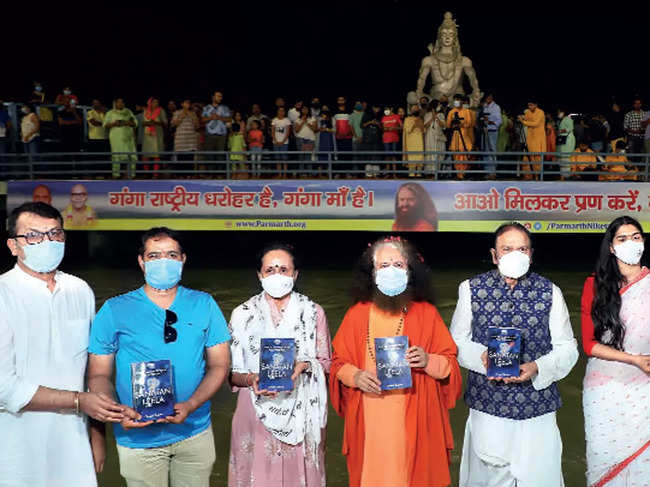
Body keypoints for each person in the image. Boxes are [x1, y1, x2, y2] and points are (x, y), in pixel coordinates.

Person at [87, 227, 231, 487]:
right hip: (137, 436)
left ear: (183, 259)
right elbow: (98, 374)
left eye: (171, 254)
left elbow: (220, 365)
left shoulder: (204, 304)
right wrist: (117, 411)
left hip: (195, 430)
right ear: (141, 261)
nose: (163, 261)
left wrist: (191, 404)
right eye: (154, 256)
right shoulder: (114, 309)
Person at [0, 202, 126, 486]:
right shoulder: (3, 294)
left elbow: (92, 372)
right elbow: (4, 387)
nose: (47, 242)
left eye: (55, 234)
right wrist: (81, 402)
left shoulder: (79, 290)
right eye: (33, 236)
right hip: (15, 445)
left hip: (73, 441)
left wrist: (97, 436)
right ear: (13, 246)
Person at [450, 222, 579, 487]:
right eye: (507, 248)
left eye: (522, 249)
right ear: (494, 255)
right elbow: (456, 341)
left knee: (540, 477)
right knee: (488, 477)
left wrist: (538, 367)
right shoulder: (471, 289)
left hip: (537, 409)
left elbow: (568, 348)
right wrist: (482, 356)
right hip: (488, 406)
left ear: (531, 255)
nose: (515, 254)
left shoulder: (550, 292)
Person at [330, 237, 462, 487]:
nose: (391, 271)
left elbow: (449, 365)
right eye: (384, 265)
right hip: (371, 418)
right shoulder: (357, 314)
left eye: (398, 265)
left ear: (410, 272)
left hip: (416, 418)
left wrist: (426, 360)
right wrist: (356, 377)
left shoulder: (427, 313)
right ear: (372, 273)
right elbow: (337, 364)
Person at [228, 243, 331, 487]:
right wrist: (251, 379)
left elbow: (325, 363)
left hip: (302, 410)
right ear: (259, 275)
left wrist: (305, 365)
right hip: (254, 410)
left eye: (284, 269)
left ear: (295, 274)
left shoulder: (313, 313)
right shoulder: (242, 314)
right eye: (270, 269)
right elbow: (231, 374)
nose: (277, 275)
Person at [581, 216, 649, 487]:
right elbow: (589, 344)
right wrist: (633, 359)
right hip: (604, 391)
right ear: (611, 247)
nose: (631, 243)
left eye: (636, 237)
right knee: (604, 462)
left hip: (645, 389)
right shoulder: (594, 285)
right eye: (622, 239)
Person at [104, 98, 138, 179]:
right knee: (116, 156)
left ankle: (131, 174)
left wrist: (127, 122)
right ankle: (116, 175)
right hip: (116, 138)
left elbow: (135, 123)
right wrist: (114, 123)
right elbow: (105, 125)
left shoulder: (128, 112)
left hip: (128, 138)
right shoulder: (110, 113)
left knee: (131, 156)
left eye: (122, 102)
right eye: (118, 102)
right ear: (115, 103)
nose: (120, 104)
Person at [201, 91, 232, 169]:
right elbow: (202, 120)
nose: (220, 98)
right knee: (209, 155)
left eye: (221, 96)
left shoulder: (225, 108)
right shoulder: (206, 108)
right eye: (218, 96)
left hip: (221, 135)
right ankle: (211, 173)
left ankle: (220, 174)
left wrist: (219, 117)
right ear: (213, 97)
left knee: (220, 155)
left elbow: (229, 119)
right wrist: (210, 118)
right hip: (209, 134)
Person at [518, 100, 547, 180]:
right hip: (530, 138)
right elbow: (527, 117)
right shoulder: (528, 112)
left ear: (536, 105)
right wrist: (522, 117)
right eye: (529, 105)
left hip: (538, 139)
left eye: (531, 105)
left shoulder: (540, 112)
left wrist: (523, 122)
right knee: (528, 158)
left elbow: (535, 123)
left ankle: (538, 177)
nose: (530, 107)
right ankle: (530, 176)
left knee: (538, 159)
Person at [447, 94, 473, 180]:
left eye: (458, 100)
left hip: (464, 135)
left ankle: (463, 173)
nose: (456, 102)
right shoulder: (451, 112)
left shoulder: (467, 111)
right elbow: (447, 125)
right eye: (455, 100)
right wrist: (452, 125)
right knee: (456, 155)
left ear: (462, 101)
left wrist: (461, 124)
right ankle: (458, 173)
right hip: (455, 136)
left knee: (464, 155)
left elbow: (469, 123)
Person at [171, 99, 200, 172]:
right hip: (181, 141)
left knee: (190, 159)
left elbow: (197, 126)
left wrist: (192, 117)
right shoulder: (177, 113)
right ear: (182, 104)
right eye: (186, 103)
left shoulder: (193, 113)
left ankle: (189, 175)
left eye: (189, 103)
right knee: (181, 159)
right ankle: (180, 176)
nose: (188, 104)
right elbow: (173, 124)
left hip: (190, 141)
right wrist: (181, 116)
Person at [142, 97, 167, 176]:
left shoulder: (161, 111)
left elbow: (165, 123)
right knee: (146, 155)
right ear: (150, 103)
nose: (156, 104)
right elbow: (142, 123)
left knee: (157, 154)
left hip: (157, 135)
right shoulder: (146, 111)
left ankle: (155, 174)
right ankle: (146, 173)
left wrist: (156, 122)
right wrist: (148, 123)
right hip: (147, 136)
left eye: (157, 102)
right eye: (154, 102)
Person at [479, 93, 502, 179]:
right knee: (485, 151)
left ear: (491, 98)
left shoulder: (496, 107)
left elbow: (499, 122)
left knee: (492, 150)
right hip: (484, 131)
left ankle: (493, 172)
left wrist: (489, 121)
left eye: (489, 97)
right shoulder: (484, 106)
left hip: (492, 131)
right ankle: (487, 172)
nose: (488, 99)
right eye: (486, 98)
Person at [423, 99, 447, 175]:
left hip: (438, 136)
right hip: (430, 136)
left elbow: (443, 126)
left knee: (439, 153)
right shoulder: (427, 114)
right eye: (438, 104)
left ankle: (437, 172)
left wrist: (436, 117)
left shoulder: (441, 115)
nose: (440, 106)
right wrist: (432, 118)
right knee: (430, 152)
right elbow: (425, 126)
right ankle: (430, 172)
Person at [402, 106, 425, 177]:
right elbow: (408, 130)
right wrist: (415, 124)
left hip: (419, 140)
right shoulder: (407, 119)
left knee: (419, 156)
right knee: (411, 156)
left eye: (417, 109)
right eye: (414, 109)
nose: (415, 110)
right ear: (411, 111)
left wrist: (420, 124)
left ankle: (419, 173)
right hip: (410, 141)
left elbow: (423, 130)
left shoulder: (421, 119)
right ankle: (411, 173)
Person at [381, 107, 402, 176]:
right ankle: (387, 173)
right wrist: (385, 129)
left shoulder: (396, 117)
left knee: (394, 156)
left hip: (394, 138)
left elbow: (402, 127)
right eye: (385, 110)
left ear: (391, 109)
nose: (386, 111)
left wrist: (394, 128)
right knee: (387, 156)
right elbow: (383, 128)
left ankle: (394, 173)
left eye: (387, 109)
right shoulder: (384, 118)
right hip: (386, 139)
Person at [272, 107, 291, 178]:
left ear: (284, 112)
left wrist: (283, 141)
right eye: (280, 111)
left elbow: (288, 132)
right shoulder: (274, 120)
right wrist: (276, 141)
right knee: (277, 159)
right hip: (276, 142)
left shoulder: (287, 120)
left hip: (284, 143)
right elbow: (273, 132)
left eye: (282, 111)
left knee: (284, 159)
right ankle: (279, 174)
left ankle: (284, 174)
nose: (281, 112)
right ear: (277, 112)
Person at [556, 108, 576, 180]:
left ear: (563, 112)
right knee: (562, 158)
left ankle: (565, 177)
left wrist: (560, 131)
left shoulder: (568, 119)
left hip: (568, 141)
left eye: (559, 112)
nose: (558, 114)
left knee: (566, 158)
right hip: (563, 141)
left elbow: (570, 128)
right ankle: (563, 177)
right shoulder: (562, 120)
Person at [229, 112, 247, 178]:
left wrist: (244, 152)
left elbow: (244, 145)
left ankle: (243, 175)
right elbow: (229, 145)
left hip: (240, 152)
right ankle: (234, 175)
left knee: (241, 164)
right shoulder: (231, 137)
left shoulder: (241, 136)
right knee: (233, 165)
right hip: (233, 153)